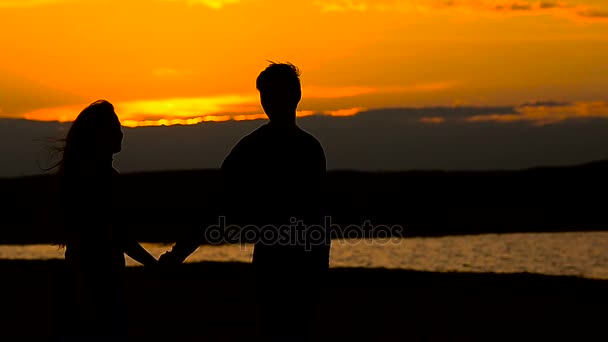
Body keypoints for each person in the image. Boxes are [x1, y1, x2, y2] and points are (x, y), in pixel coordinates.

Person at [161, 62, 330, 341]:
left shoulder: (299, 148)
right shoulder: (259, 147)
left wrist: (178, 254)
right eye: (266, 95)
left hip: (298, 262)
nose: (270, 102)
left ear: (295, 95)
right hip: (276, 261)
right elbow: (217, 203)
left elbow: (317, 212)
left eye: (276, 94)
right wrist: (179, 253)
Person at [55, 100, 157, 340]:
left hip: (89, 274)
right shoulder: (98, 177)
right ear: (98, 134)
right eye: (114, 127)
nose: (120, 133)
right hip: (96, 278)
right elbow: (116, 234)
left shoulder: (86, 174)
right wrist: (153, 265)